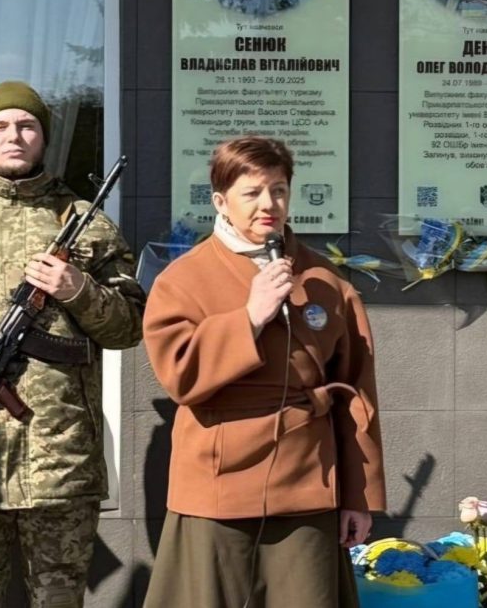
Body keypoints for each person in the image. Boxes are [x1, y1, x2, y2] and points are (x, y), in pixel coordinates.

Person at [0, 80, 145, 608]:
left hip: (60, 462)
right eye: (0, 125)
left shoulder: (88, 226)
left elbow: (130, 327)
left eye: (27, 125)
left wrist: (78, 290)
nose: (15, 135)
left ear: (44, 137)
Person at [143, 135, 385, 608]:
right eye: (251, 192)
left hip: (308, 482)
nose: (268, 204)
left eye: (278, 190)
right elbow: (179, 376)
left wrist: (358, 497)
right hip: (216, 485)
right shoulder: (182, 279)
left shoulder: (326, 281)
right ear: (221, 201)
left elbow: (357, 394)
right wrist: (249, 318)